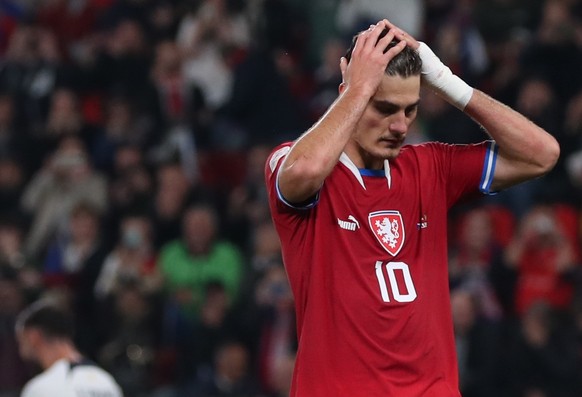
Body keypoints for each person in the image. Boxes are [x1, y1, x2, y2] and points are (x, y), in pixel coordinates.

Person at [264, 19, 559, 396]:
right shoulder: (293, 163)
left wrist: (445, 80)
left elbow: (541, 155)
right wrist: (356, 90)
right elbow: (303, 170)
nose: (400, 126)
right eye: (385, 108)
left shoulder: (430, 166)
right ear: (348, 95)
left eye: (410, 110)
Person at [15, 300, 123, 397]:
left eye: (20, 341)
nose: (20, 349)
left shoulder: (41, 388)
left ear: (34, 336)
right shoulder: (107, 382)